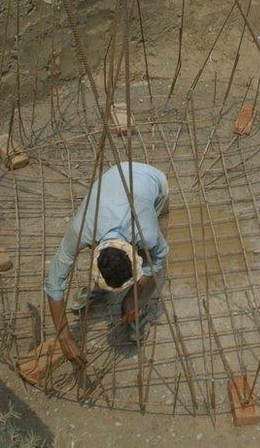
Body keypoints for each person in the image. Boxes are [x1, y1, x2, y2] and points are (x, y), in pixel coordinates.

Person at [19, 161, 169, 383]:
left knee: (153, 266)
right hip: (115, 175)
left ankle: (137, 310)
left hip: (152, 181)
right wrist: (63, 334)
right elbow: (54, 282)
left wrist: (132, 296)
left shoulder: (146, 232)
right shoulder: (83, 228)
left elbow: (158, 259)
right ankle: (101, 292)